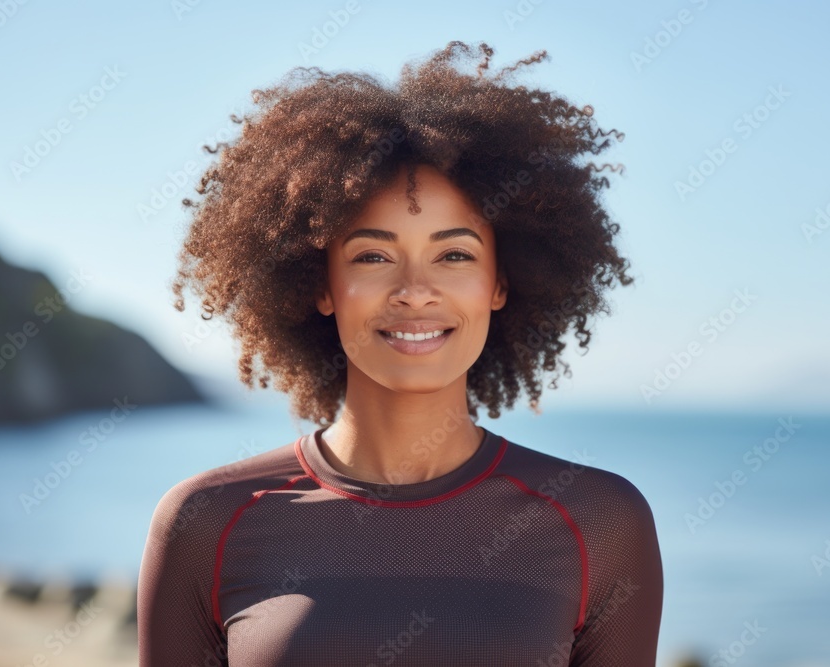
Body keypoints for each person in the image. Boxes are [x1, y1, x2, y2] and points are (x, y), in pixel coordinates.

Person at [137, 40, 663, 666]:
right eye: (373, 256)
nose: (415, 291)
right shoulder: (206, 522)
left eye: (455, 254)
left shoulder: (600, 522)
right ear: (321, 285)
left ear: (501, 282)